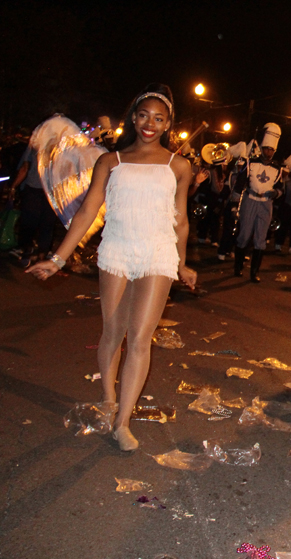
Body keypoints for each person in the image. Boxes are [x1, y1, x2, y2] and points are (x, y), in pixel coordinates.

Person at [26, 83, 197, 452]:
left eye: (159, 118)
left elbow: (180, 220)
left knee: (139, 338)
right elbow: (87, 212)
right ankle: (108, 399)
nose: (150, 124)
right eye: (143, 115)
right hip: (117, 250)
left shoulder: (178, 166)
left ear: (168, 124)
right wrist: (57, 259)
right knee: (113, 332)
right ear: (133, 117)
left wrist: (183, 263)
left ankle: (123, 421)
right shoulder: (110, 162)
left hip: (157, 252)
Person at [233, 123, 283, 282]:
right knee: (244, 235)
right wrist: (235, 205)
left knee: (261, 239)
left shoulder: (278, 169)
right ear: (262, 149)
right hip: (250, 200)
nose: (269, 152)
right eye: (267, 149)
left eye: (272, 150)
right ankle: (238, 267)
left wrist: (276, 193)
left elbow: (281, 188)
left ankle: (254, 272)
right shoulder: (250, 163)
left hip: (265, 204)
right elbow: (239, 185)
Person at [8, 126, 57, 268]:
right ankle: (42, 255)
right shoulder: (62, 148)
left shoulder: (35, 144)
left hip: (34, 189)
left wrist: (13, 186)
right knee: (47, 224)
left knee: (29, 222)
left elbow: (25, 167)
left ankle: (27, 251)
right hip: (51, 192)